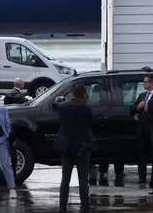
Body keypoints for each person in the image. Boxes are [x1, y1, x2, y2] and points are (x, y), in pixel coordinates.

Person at [54, 84, 95, 213]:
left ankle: (62, 207)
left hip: (66, 146)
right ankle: (85, 207)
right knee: (83, 179)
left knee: (65, 178)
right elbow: (90, 123)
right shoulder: (86, 108)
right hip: (82, 146)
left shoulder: (63, 107)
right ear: (83, 94)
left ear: (72, 93)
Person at [130, 74, 153, 184]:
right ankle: (142, 178)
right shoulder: (142, 95)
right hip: (142, 130)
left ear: (152, 83)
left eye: (146, 82)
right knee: (141, 155)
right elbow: (131, 109)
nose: (144, 84)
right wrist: (138, 107)